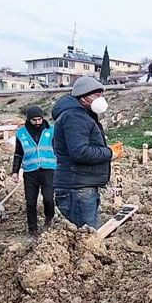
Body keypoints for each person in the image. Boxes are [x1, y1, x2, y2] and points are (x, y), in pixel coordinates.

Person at [51, 76, 111, 229]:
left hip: (81, 186)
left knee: (85, 237)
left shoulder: (81, 115)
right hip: (77, 189)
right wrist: (108, 153)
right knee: (86, 239)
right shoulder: (75, 116)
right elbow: (80, 152)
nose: (101, 99)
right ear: (83, 97)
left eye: (102, 94)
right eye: (97, 95)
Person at [11, 105, 56, 235]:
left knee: (48, 198)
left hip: (48, 169)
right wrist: (15, 171)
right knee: (30, 202)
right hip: (30, 171)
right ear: (28, 119)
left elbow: (58, 149)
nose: (37, 123)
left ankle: (49, 219)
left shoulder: (51, 131)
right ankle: (32, 229)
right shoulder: (21, 134)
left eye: (39, 119)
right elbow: (18, 153)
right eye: (34, 120)